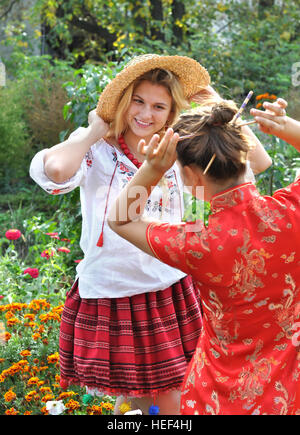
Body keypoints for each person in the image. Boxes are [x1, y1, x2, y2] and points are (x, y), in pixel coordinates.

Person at [29, 53, 271, 415]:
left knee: (172, 398)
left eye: (159, 106)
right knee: (133, 403)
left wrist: (218, 104)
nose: (146, 114)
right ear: (124, 101)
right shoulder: (98, 146)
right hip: (114, 290)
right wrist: (96, 129)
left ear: (172, 110)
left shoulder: (180, 145)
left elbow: (258, 162)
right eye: (138, 101)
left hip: (168, 285)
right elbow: (57, 170)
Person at [108, 97, 300, 415]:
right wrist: (290, 130)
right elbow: (204, 204)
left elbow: (121, 219)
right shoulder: (290, 213)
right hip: (288, 392)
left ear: (191, 176)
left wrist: (153, 168)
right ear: (244, 158)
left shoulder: (198, 244)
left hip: (218, 395)